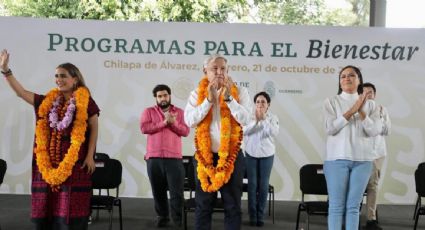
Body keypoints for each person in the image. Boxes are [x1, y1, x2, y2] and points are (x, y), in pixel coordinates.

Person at [0, 49, 99, 230]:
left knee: (70, 211)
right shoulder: (47, 101)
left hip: (75, 162)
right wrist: (6, 70)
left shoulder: (86, 102)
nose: (58, 79)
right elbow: (21, 93)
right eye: (56, 76)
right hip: (45, 164)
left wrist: (90, 155)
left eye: (63, 76)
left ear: (75, 79)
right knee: (45, 206)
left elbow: (94, 129)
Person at [184, 54, 251, 230]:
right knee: (203, 206)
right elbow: (190, 121)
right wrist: (208, 101)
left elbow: (246, 119)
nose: (219, 72)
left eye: (223, 69)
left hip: (232, 158)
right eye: (215, 68)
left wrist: (229, 99)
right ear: (205, 71)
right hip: (204, 159)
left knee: (232, 206)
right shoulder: (196, 94)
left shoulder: (240, 92)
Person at [323, 65, 382, 230]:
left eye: (351, 75)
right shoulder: (331, 102)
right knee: (336, 207)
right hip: (336, 160)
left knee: (353, 207)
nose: (347, 78)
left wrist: (361, 111)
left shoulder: (371, 105)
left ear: (359, 80)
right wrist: (351, 111)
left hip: (363, 161)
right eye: (343, 76)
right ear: (340, 82)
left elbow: (373, 131)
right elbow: (330, 128)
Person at [140, 84, 190, 228]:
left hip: (174, 158)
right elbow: (144, 128)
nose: (163, 98)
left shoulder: (179, 112)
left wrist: (173, 123)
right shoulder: (148, 112)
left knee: (177, 192)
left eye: (165, 95)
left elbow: (185, 131)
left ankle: (178, 219)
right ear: (156, 98)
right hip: (154, 158)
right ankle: (162, 216)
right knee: (158, 190)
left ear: (170, 96)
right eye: (160, 96)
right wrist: (163, 123)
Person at [243, 91, 279, 227]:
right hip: (251, 154)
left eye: (263, 102)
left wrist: (263, 120)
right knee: (252, 185)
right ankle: (252, 215)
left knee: (263, 186)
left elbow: (273, 132)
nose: (260, 104)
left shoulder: (273, 117)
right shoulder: (249, 116)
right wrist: (256, 122)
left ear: (268, 104)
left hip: (267, 155)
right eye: (257, 102)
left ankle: (260, 215)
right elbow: (244, 131)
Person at [362, 82, 391, 230]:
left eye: (371, 92)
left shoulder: (382, 109)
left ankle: (371, 220)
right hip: (360, 154)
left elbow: (387, 130)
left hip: (377, 153)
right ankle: (351, 217)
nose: (368, 95)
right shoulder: (357, 109)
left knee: (373, 186)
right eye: (365, 92)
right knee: (358, 186)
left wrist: (378, 121)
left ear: (375, 94)